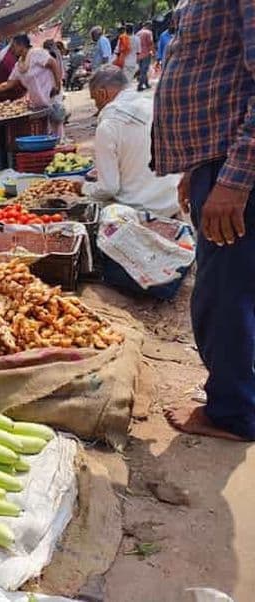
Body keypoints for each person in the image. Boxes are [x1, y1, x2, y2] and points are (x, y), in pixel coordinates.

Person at [152, 0, 255, 441]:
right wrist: (197, 170)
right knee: (235, 289)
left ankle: (233, 412)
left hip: (235, 168)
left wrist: (233, 181)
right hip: (216, 162)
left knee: (223, 295)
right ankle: (239, 393)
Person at [82, 66, 179, 216]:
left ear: (103, 93)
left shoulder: (108, 126)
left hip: (138, 210)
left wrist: (82, 188)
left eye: (95, 100)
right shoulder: (155, 106)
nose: (96, 106)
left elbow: (108, 188)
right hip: (173, 201)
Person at [0, 34, 63, 139]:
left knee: (56, 131)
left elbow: (53, 64)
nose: (12, 50)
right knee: (46, 133)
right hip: (39, 105)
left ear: (21, 45)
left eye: (13, 46)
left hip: (51, 97)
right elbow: (8, 84)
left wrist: (57, 85)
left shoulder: (37, 53)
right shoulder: (19, 65)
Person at [136, 21, 154, 91]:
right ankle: (139, 85)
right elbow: (150, 43)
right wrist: (153, 52)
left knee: (142, 70)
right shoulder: (148, 33)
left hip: (139, 55)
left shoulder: (138, 33)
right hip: (146, 54)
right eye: (151, 26)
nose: (151, 27)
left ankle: (146, 84)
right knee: (144, 71)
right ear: (148, 25)